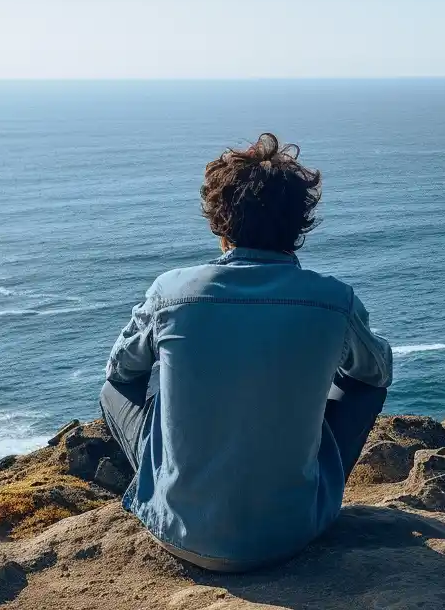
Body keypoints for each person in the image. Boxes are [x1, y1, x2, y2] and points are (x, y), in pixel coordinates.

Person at [100, 133, 393, 573]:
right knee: (365, 387)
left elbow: (120, 370)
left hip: (181, 537)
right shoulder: (334, 300)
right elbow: (377, 373)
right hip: (292, 535)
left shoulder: (171, 291)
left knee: (121, 386)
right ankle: (299, 490)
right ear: (300, 224)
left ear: (219, 220)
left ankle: (169, 492)